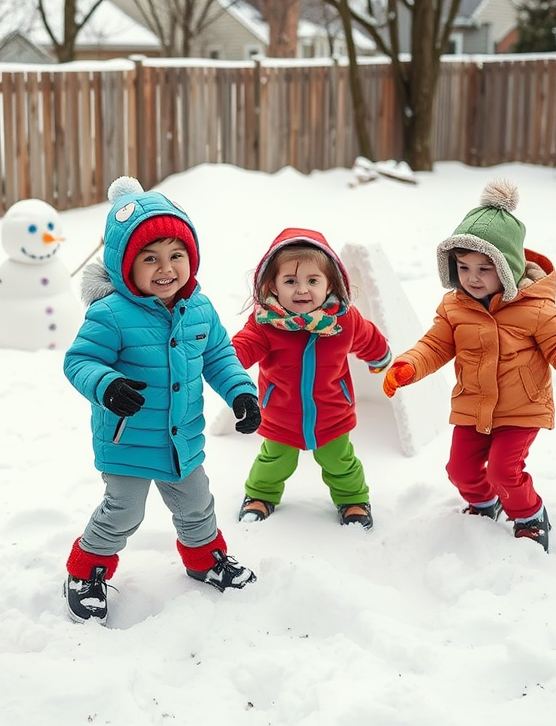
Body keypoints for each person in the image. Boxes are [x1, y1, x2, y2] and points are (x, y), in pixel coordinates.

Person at [381, 178, 556, 553]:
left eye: (484, 269)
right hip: (474, 405)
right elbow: (434, 344)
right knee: (459, 470)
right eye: (463, 267)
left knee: (503, 471)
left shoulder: (536, 309)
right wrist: (409, 366)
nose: (472, 278)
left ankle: (529, 515)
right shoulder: (454, 307)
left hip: (521, 409)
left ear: (507, 268)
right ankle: (484, 503)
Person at [62, 175, 261, 626]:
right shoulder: (110, 313)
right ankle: (86, 571)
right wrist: (107, 385)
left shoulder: (200, 308)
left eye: (177, 255)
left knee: (197, 503)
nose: (165, 268)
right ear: (124, 266)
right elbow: (80, 361)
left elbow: (219, 356)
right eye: (149, 258)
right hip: (128, 439)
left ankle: (205, 559)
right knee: (123, 511)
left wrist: (241, 392)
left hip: (182, 440)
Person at [231, 229, 392, 530]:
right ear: (273, 285)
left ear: (330, 283)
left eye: (312, 281)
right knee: (274, 461)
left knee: (340, 462)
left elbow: (367, 338)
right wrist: (225, 365)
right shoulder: (265, 323)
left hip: (332, 412)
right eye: (290, 281)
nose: (302, 290)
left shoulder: (344, 319)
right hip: (279, 412)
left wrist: (379, 356)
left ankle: (353, 499)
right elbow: (243, 347)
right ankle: (260, 495)